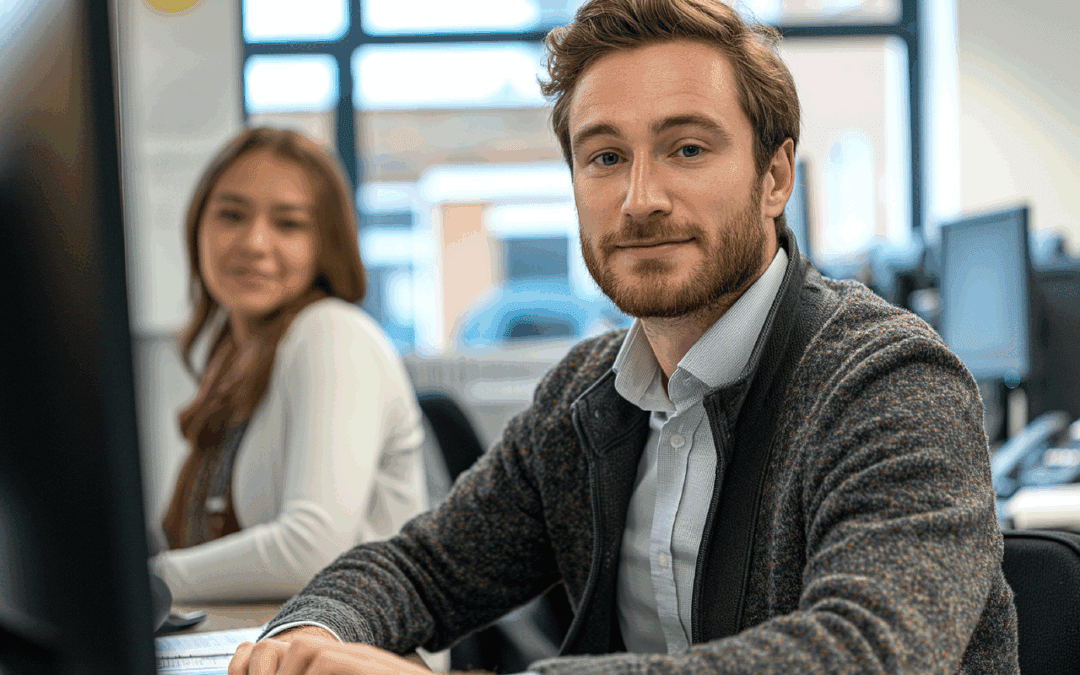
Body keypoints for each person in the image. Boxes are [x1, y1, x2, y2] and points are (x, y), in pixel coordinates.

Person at [231, 1, 1019, 672]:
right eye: (605, 156)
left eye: (687, 148)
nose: (640, 199)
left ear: (775, 177)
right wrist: (308, 635)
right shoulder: (584, 396)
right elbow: (426, 567)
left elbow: (865, 653)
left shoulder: (890, 381)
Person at [151, 127, 427, 603]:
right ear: (198, 226)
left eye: (289, 223)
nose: (254, 243)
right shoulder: (233, 360)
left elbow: (312, 550)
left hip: (367, 655)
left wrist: (147, 581)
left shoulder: (333, 333)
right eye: (231, 215)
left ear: (326, 243)